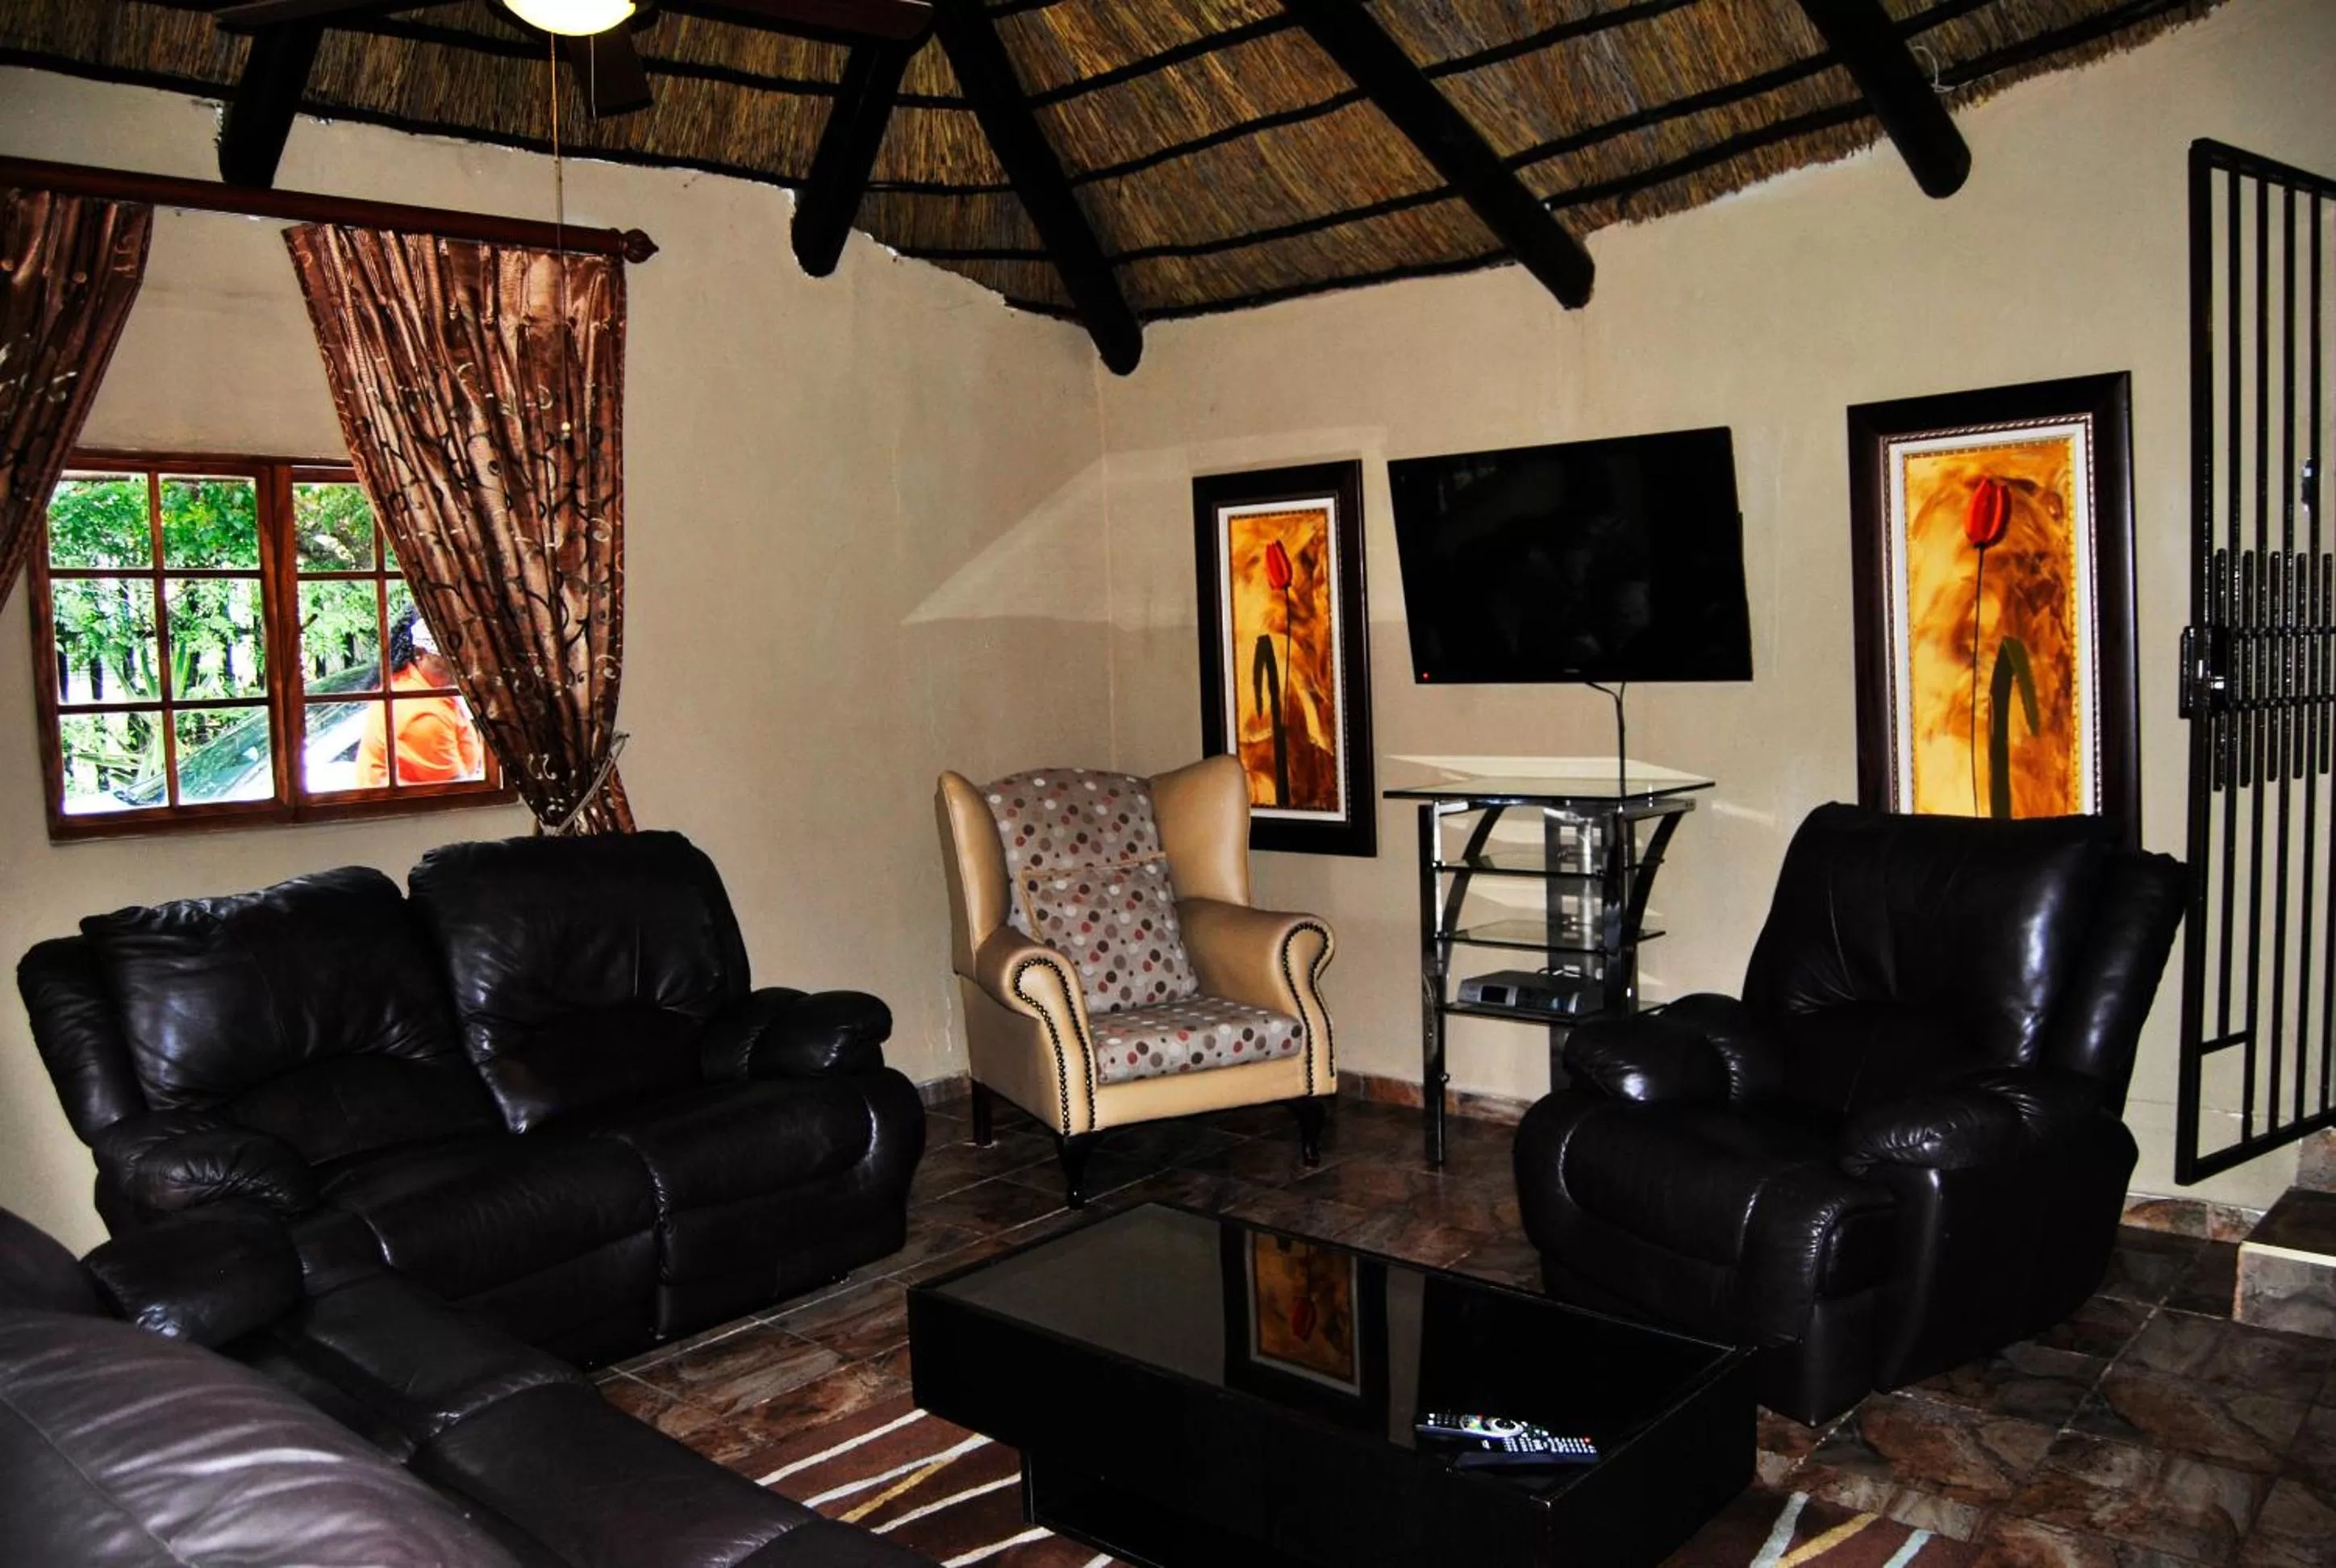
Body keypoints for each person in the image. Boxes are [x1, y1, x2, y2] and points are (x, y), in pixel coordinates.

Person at [356, 607, 485, 786]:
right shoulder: (422, 715)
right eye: (446, 661)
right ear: (419, 654)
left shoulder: (425, 687)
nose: (457, 668)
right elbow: (456, 794)